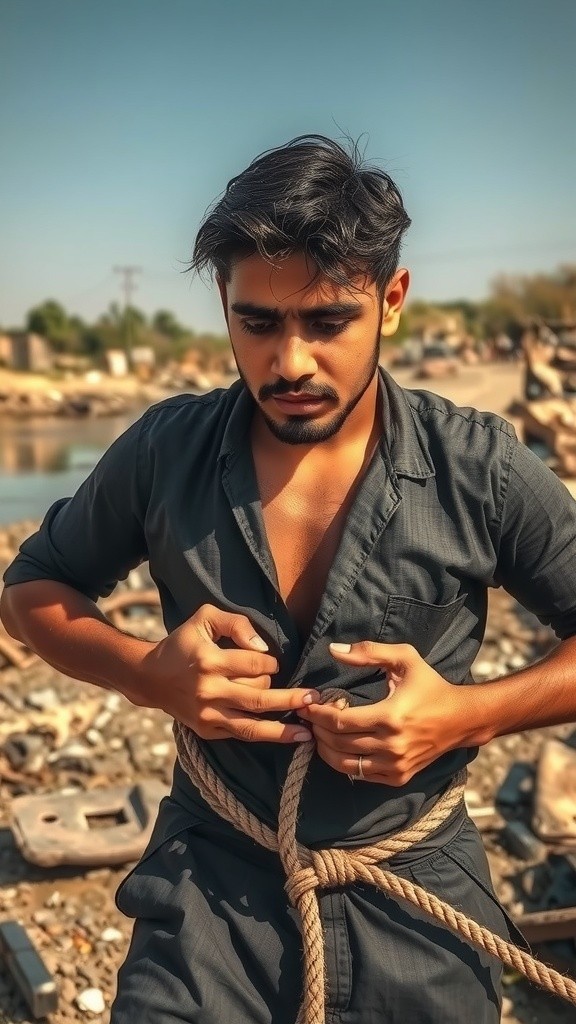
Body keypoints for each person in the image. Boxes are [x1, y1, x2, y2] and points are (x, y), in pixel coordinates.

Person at [2, 134, 576, 1024]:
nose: (291, 362)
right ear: (225, 304)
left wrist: (467, 715)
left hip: (415, 885)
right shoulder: (165, 452)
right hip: (208, 887)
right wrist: (146, 674)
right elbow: (33, 589)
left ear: (392, 301)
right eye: (259, 322)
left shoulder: (480, 467)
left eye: (328, 321)